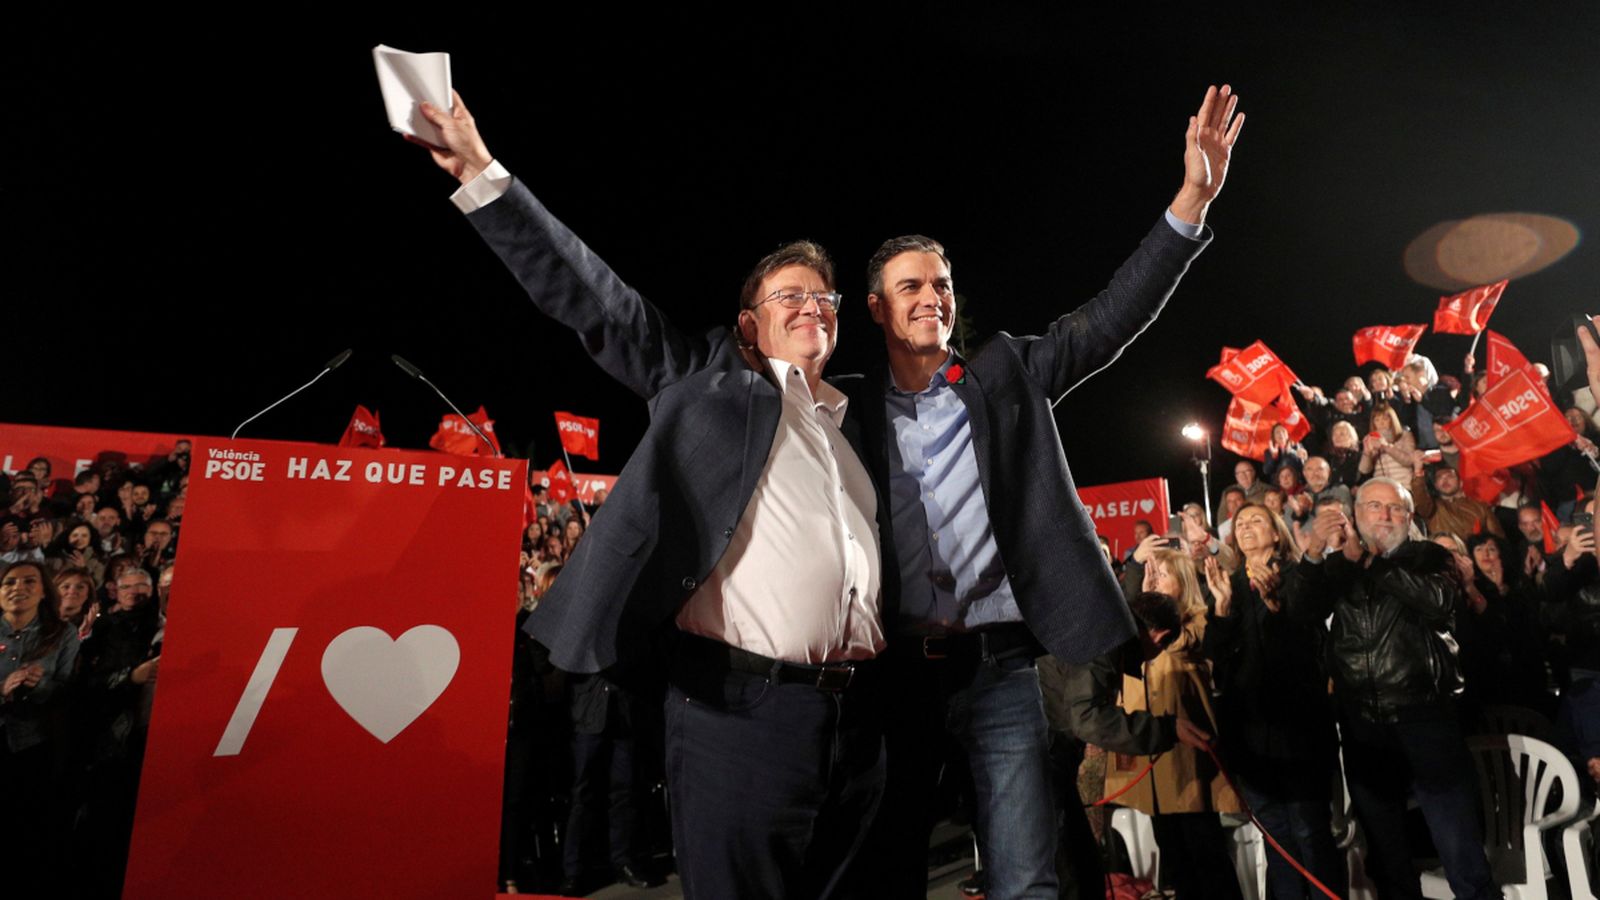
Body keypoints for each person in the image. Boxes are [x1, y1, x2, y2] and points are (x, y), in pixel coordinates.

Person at [411, 92, 885, 899]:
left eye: (824, 298)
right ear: (747, 325)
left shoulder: (850, 427)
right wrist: (483, 173)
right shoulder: (706, 379)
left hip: (858, 726)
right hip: (740, 717)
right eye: (790, 297)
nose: (812, 307)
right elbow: (595, 298)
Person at [847, 83, 1243, 900]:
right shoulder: (843, 413)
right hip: (896, 681)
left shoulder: (1006, 372)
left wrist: (1191, 201)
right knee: (887, 874)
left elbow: (1106, 321)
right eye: (913, 287)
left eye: (943, 283)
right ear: (878, 307)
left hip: (1002, 673)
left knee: (1028, 877)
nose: (934, 298)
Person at [1287, 478, 1495, 900]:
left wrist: (1373, 564)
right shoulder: (1339, 566)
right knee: (1387, 855)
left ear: (1410, 515)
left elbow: (1439, 603)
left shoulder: (1429, 555)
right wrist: (1311, 554)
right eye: (1374, 507)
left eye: (1394, 508)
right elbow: (1301, 611)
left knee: (1460, 849)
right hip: (1363, 724)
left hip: (1426, 718)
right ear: (1355, 514)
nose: (1384, 516)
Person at [1202, 506, 1344, 900]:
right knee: (1275, 838)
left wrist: (1277, 608)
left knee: (1310, 833)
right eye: (1240, 524)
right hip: (1250, 736)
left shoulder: (1298, 578)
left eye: (1257, 521)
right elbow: (1216, 658)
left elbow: (1309, 644)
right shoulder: (1227, 584)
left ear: (1277, 534)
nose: (1246, 528)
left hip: (1299, 734)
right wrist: (1222, 609)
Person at [1106, 551, 1241, 900]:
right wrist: (1143, 599)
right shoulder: (1137, 627)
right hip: (1151, 759)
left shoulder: (1195, 620)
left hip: (1187, 758)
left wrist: (1159, 608)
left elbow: (1181, 644)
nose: (1157, 579)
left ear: (1184, 582)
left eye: (1165, 574)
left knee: (1206, 854)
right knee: (1174, 855)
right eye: (1156, 574)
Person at [0, 560, 81, 896]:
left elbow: (68, 690)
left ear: (44, 591)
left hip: (33, 745)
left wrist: (39, 686)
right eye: (9, 583)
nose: (18, 588)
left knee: (26, 828)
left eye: (29, 581)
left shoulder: (62, 634)